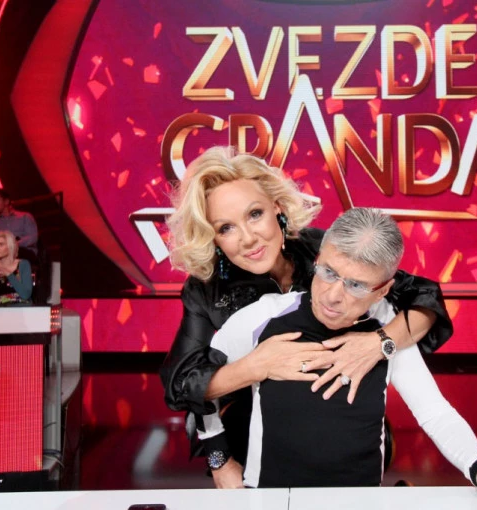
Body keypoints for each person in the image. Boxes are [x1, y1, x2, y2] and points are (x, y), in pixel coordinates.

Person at [160, 147, 452, 487]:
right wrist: (221, 459)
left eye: (254, 214)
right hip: (248, 435)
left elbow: (423, 299)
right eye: (226, 228)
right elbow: (184, 385)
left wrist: (379, 343)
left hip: (343, 422)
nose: (248, 238)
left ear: (276, 206)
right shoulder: (204, 288)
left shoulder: (323, 249)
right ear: (213, 237)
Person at [201, 208, 477, 507]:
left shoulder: (390, 329)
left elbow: (434, 412)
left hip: (362, 502)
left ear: (382, 290)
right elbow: (196, 383)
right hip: (270, 500)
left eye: (356, 285)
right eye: (328, 272)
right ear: (318, 258)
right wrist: (219, 460)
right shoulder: (264, 316)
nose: (333, 295)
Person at [0, 188, 38, 262]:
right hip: (0, 255)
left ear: (6, 201)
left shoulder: (25, 217)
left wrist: (13, 245)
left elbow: (32, 237)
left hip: (22, 251)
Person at [0, 230, 32, 304]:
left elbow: (25, 295)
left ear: (10, 246)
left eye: (1, 244)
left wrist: (9, 274)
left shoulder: (23, 265)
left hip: (21, 308)